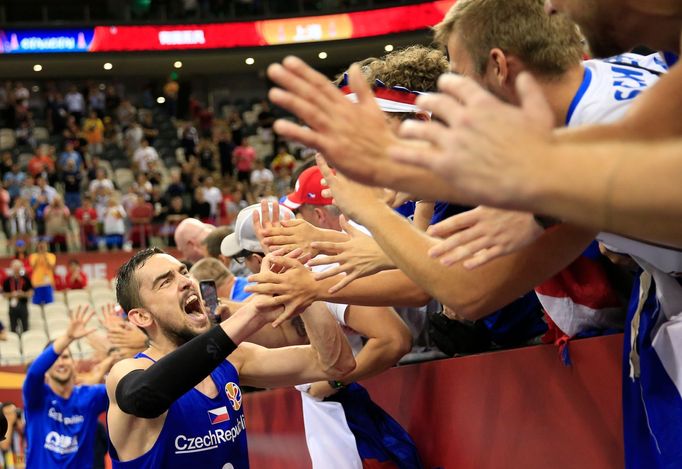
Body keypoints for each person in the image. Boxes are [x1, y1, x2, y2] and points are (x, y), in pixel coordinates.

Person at [105, 247, 355, 467]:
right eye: (165, 281)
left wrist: (304, 291)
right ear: (141, 317)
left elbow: (335, 364)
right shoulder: (127, 371)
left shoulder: (234, 359)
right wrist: (251, 313)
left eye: (183, 271)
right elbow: (144, 397)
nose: (186, 281)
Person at [22, 307, 107, 468]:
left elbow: (126, 389)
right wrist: (67, 338)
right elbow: (33, 374)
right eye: (56, 358)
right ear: (46, 369)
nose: (61, 362)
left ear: (74, 364)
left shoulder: (90, 396)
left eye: (66, 357)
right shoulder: (37, 397)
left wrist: (114, 353)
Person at [2, 260, 33, 334]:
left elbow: (31, 292)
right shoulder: (7, 280)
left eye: (18, 267)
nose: (16, 269)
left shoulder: (25, 279)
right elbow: (4, 294)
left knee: (25, 328)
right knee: (13, 328)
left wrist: (23, 294)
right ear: (11, 268)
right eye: (14, 267)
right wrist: (12, 294)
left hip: (23, 304)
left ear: (21, 268)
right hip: (12, 306)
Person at [28, 239, 56, 306]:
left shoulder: (51, 255)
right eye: (40, 245)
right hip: (37, 283)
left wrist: (44, 255)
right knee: (36, 305)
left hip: (48, 283)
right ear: (37, 246)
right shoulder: (33, 256)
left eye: (43, 245)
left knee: (49, 305)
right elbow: (33, 266)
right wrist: (39, 254)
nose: (42, 247)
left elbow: (51, 266)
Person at [0, 402, 26, 469]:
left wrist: (20, 424)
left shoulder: (18, 429)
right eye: (7, 413)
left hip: (19, 464)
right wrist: (9, 422)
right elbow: (4, 446)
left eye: (13, 412)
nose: (11, 415)